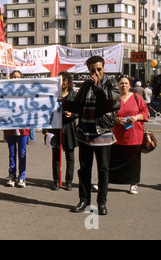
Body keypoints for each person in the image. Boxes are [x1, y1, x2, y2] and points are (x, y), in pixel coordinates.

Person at [63, 56, 121, 215]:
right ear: (88, 70)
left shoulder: (111, 83)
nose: (96, 73)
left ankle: (101, 203)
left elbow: (112, 101)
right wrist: (64, 104)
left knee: (103, 170)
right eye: (92, 70)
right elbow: (78, 105)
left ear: (104, 67)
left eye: (99, 69)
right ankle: (84, 200)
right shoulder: (86, 85)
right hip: (84, 134)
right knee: (84, 169)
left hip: (102, 133)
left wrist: (97, 87)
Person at [109, 75, 149, 194]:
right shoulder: (114, 98)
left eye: (126, 83)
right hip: (117, 134)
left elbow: (145, 112)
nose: (124, 85)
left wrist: (136, 117)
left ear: (129, 85)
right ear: (118, 85)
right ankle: (106, 181)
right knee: (113, 159)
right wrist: (116, 119)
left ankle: (134, 184)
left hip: (134, 134)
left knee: (134, 161)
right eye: (121, 83)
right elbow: (108, 114)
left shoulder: (136, 97)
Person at [43, 71, 78, 191]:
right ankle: (56, 181)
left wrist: (72, 114)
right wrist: (46, 130)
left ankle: (69, 181)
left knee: (70, 156)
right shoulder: (52, 95)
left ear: (68, 81)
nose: (62, 83)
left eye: (64, 80)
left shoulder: (74, 95)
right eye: (60, 80)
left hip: (69, 127)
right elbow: (46, 113)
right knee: (56, 156)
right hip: (56, 127)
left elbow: (79, 111)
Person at [3, 70, 30, 188]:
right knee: (12, 153)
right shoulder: (6, 92)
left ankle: (22, 177)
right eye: (13, 77)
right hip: (10, 128)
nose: (15, 79)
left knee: (22, 153)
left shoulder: (26, 92)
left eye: (18, 77)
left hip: (23, 128)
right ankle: (12, 175)